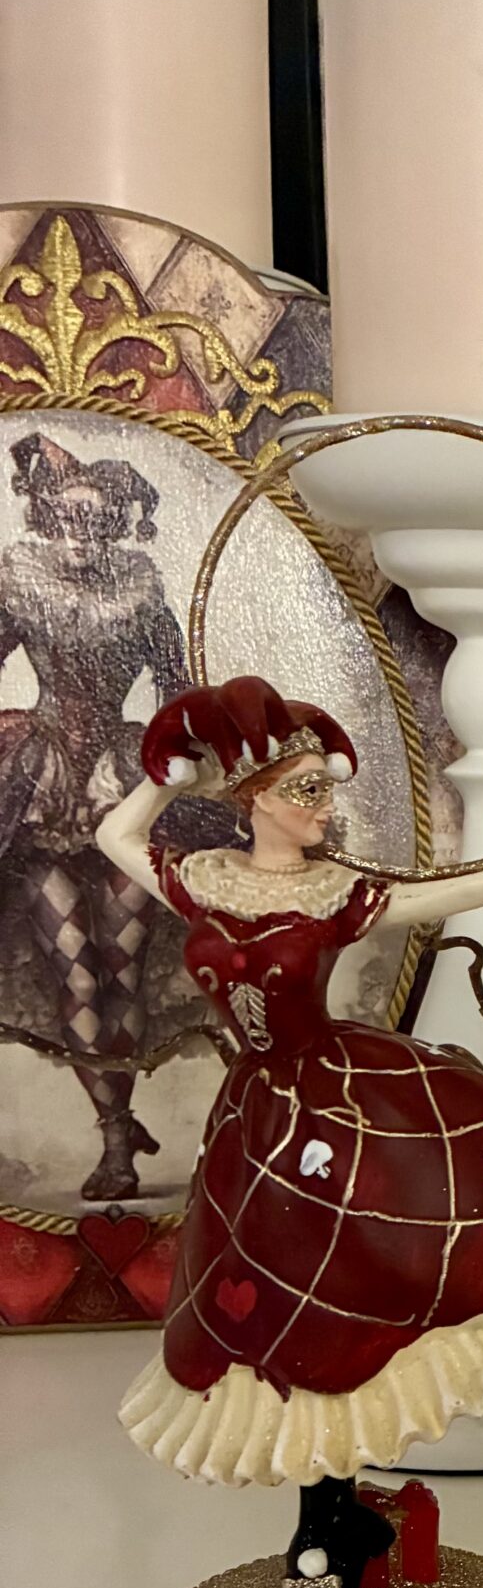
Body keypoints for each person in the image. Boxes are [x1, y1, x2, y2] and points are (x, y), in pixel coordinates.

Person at [97, 673, 483, 1588]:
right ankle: (328, 1523)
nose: (326, 807)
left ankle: (324, 1537)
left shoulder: (336, 891)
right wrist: (171, 776)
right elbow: (115, 837)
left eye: (328, 787)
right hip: (255, 1126)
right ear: (253, 800)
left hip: (340, 1107)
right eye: (306, 790)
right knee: (277, 1321)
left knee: (368, 1288)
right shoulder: (203, 879)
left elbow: (445, 893)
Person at [0, 433, 189, 1199]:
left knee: (121, 967)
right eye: (66, 518)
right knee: (73, 967)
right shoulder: (20, 588)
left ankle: (119, 1124)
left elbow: (179, 692)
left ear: (115, 526)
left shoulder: (144, 601)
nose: (78, 534)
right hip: (43, 788)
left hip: (119, 788)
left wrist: (182, 748)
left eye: (95, 521)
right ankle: (116, 1136)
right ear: (46, 517)